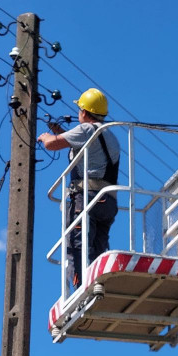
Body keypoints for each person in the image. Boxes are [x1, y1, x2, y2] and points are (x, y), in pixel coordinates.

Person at [38, 88, 121, 288]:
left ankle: (81, 290)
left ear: (84, 112)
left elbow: (51, 145)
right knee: (98, 247)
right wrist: (63, 134)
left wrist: (45, 136)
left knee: (78, 245)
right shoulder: (109, 135)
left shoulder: (86, 130)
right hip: (107, 201)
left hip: (87, 198)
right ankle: (100, 284)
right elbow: (89, 152)